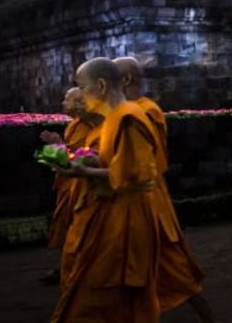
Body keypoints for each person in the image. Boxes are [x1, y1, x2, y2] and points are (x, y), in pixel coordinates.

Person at [50, 58, 162, 323]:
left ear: (100, 85)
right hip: (108, 215)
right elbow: (112, 161)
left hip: (126, 219)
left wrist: (82, 171)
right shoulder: (111, 120)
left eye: (83, 88)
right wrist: (85, 159)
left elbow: (133, 177)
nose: (81, 98)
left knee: (98, 298)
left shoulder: (130, 118)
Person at [115, 57, 213, 321]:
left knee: (173, 270)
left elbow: (149, 165)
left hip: (147, 200)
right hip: (128, 200)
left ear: (125, 80)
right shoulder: (125, 111)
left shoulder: (145, 111)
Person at [39, 88, 95, 285]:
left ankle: (76, 268)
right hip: (67, 184)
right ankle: (68, 266)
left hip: (79, 184)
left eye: (67, 99)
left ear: (79, 103)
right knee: (67, 226)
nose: (63, 103)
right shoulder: (74, 125)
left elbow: (78, 161)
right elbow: (63, 162)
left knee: (78, 227)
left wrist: (57, 144)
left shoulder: (88, 127)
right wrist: (54, 149)